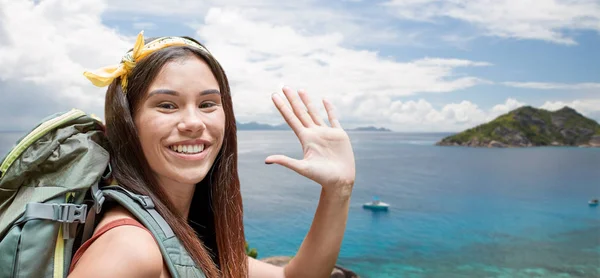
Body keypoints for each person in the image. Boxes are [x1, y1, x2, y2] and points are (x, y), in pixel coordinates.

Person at [68, 31, 355, 278]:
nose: (194, 122)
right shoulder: (131, 247)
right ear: (128, 121)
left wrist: (338, 190)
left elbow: (291, 276)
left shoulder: (179, 230)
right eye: (167, 105)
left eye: (207, 104)